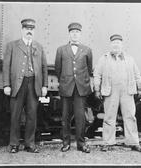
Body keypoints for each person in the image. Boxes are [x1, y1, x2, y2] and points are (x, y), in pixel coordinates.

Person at [3, 18, 48, 153]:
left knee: (32, 115)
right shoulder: (12, 45)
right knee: (15, 115)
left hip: (33, 84)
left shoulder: (39, 47)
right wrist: (6, 84)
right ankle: (14, 144)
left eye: (32, 29)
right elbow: (6, 66)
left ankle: (30, 144)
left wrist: (44, 85)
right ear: (22, 30)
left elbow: (44, 68)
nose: (29, 31)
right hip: (18, 84)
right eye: (27, 29)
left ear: (34, 31)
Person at [94, 34, 141, 152]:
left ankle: (133, 142)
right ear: (110, 45)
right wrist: (97, 89)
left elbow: (137, 74)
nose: (116, 45)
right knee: (109, 117)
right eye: (114, 43)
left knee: (130, 117)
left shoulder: (130, 59)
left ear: (122, 45)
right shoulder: (104, 58)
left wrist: (140, 88)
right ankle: (107, 142)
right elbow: (97, 74)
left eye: (118, 43)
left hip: (127, 91)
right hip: (110, 91)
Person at [55, 22, 92, 153]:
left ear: (80, 34)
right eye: (72, 32)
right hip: (66, 87)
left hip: (80, 88)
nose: (75, 34)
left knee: (80, 117)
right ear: (69, 34)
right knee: (65, 116)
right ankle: (66, 143)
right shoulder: (61, 49)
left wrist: (84, 83)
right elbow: (58, 69)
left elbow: (89, 68)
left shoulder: (87, 50)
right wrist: (65, 81)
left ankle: (81, 144)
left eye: (77, 32)